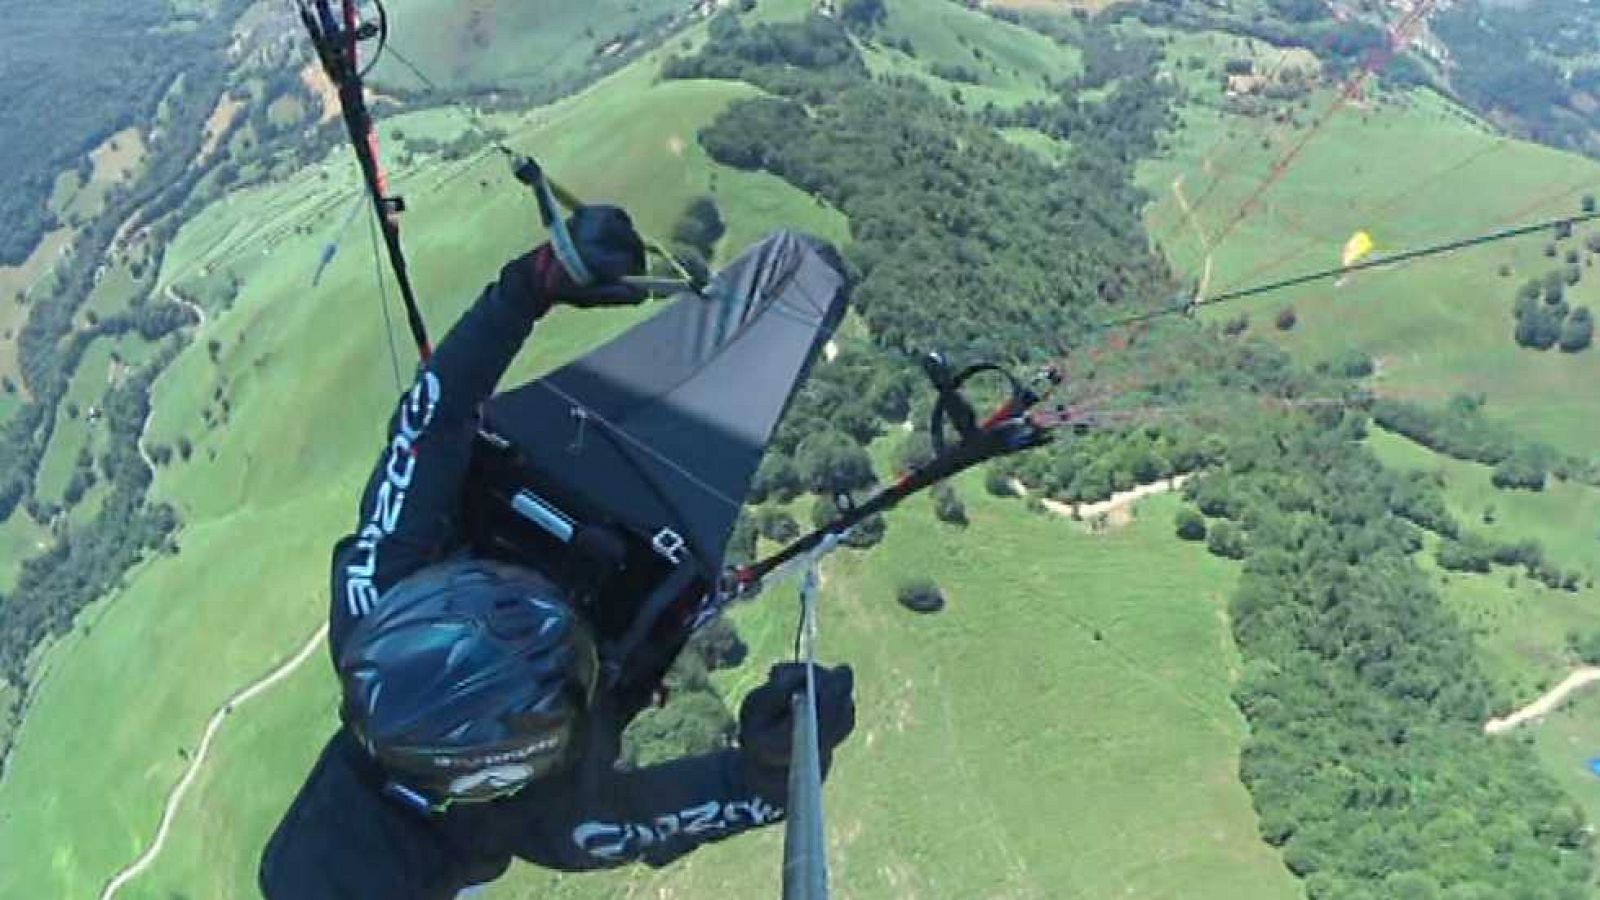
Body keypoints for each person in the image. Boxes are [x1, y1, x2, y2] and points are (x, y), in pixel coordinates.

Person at [259, 206, 857, 899]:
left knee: (801, 285)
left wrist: (533, 284)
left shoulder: (378, 602)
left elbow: (431, 422)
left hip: (575, 474)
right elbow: (730, 798)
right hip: (635, 522)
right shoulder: (555, 816)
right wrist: (781, 756)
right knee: (806, 286)